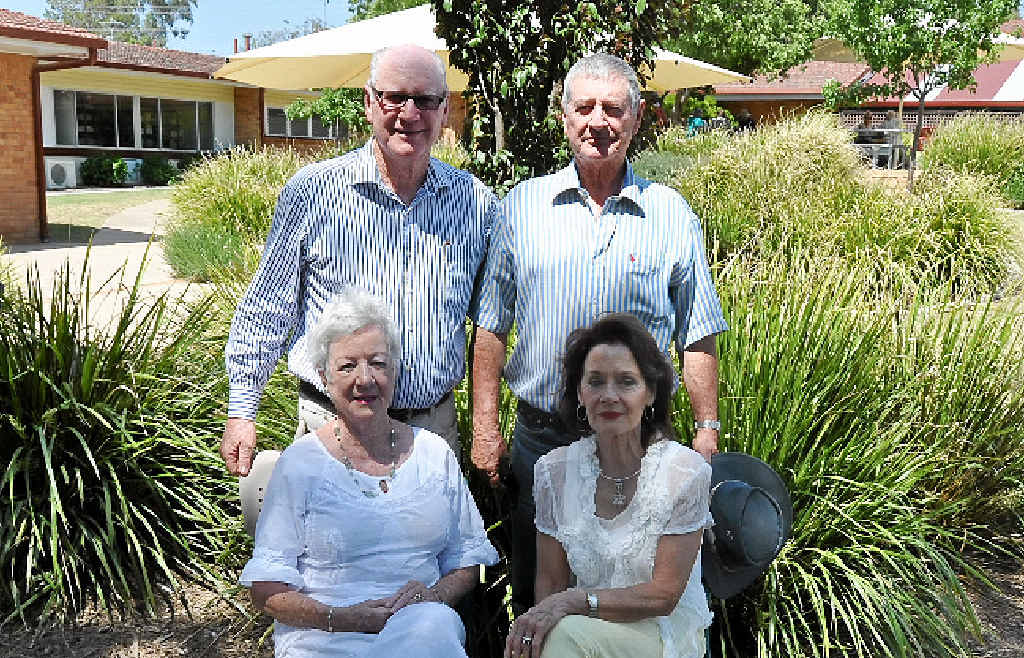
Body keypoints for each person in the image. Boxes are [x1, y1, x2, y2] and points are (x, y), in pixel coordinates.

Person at [471, 53, 728, 612]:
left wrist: (706, 428)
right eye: (584, 107)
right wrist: (485, 426)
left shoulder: (670, 214)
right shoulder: (521, 208)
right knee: (539, 592)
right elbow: (491, 325)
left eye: (612, 108)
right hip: (541, 439)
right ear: (564, 117)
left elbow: (699, 331)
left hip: (638, 444)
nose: (598, 122)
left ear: (636, 118)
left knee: (633, 588)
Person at [221, 44, 500, 475]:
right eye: (395, 98)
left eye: (425, 100)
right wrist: (242, 409)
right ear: (369, 103)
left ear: (445, 110)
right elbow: (268, 307)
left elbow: (490, 322)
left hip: (431, 434)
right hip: (332, 427)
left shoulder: (476, 203)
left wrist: (485, 425)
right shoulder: (313, 191)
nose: (409, 114)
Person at [240, 287, 499, 657]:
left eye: (377, 363)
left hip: (418, 632)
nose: (365, 379)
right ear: (324, 377)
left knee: (434, 624)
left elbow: (466, 559)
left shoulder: (434, 454)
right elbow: (266, 590)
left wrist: (435, 595)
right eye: (348, 366)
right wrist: (344, 618)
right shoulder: (300, 465)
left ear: (394, 370)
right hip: (326, 637)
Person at [504, 314, 712, 658]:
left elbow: (664, 595)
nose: (609, 395)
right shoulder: (553, 473)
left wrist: (576, 602)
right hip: (580, 629)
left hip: (663, 632)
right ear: (580, 393)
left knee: (566, 634)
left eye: (626, 382)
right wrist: (540, 628)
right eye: (596, 382)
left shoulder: (684, 473)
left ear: (650, 392)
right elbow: (551, 584)